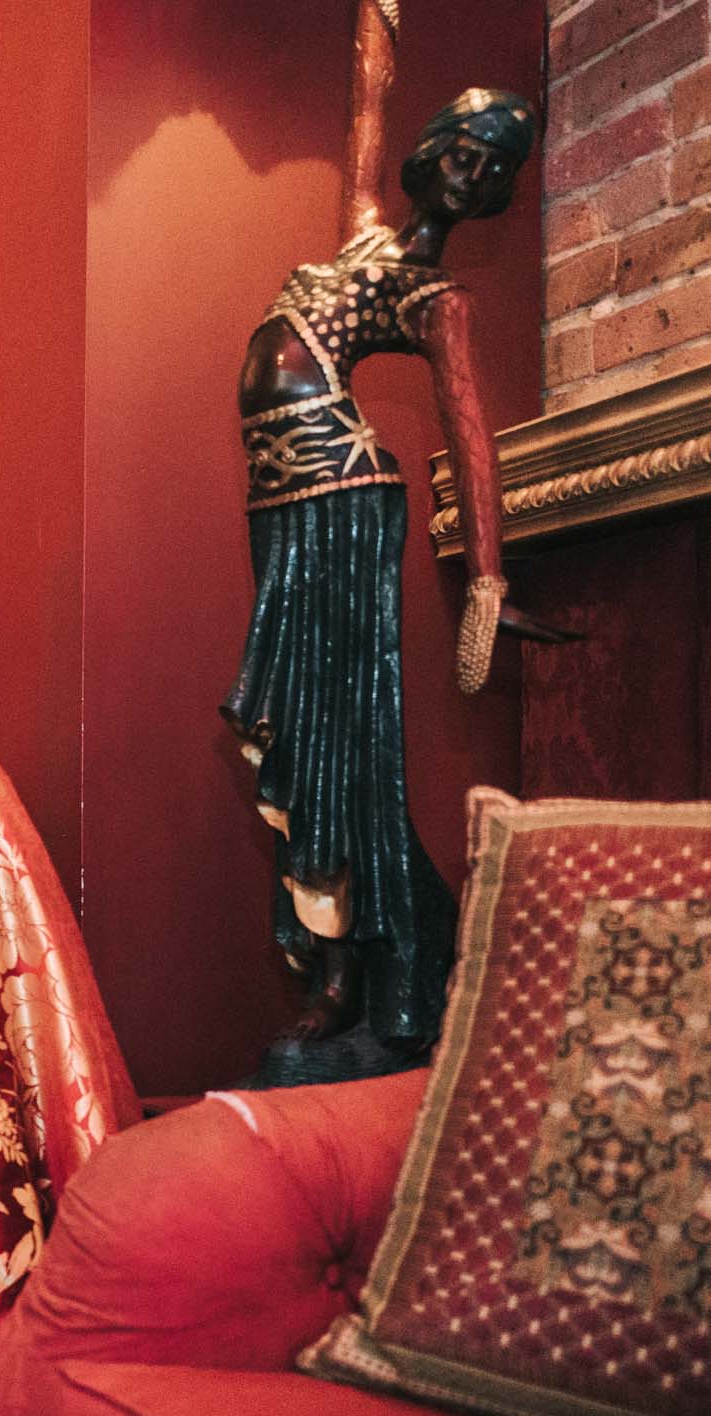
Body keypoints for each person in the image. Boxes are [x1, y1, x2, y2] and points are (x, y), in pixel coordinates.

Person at [224, 81, 567, 1073]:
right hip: (279, 500)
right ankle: (378, 961)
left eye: (492, 168)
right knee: (299, 729)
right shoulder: (360, 230)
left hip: (343, 498)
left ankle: (360, 976)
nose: (468, 173)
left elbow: (470, 438)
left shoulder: (436, 298)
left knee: (343, 747)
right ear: (429, 146)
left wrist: (486, 589)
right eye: (460, 148)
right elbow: (363, 85)